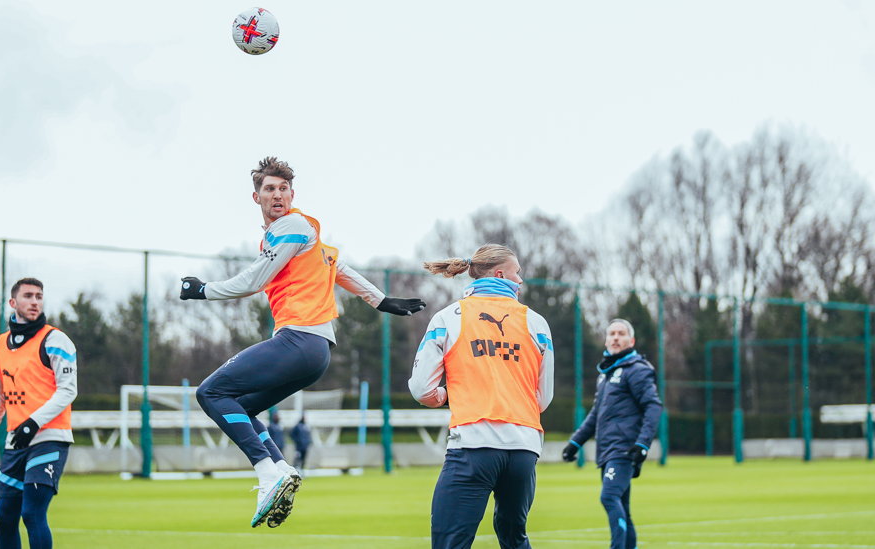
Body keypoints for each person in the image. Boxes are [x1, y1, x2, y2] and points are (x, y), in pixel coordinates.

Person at [179, 156, 425, 528]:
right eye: (269, 189)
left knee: (210, 393)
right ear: (255, 196)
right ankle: (280, 467)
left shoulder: (291, 225)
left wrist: (202, 291)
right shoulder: (304, 235)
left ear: (292, 194)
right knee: (241, 409)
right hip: (316, 352)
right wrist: (381, 300)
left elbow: (253, 280)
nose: (277, 195)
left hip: (299, 341)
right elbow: (337, 267)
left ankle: (266, 473)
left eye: (283, 189)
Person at [409, 244, 554, 549]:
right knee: (514, 540)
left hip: (474, 446)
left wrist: (449, 395)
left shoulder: (448, 317)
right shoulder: (537, 323)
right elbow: (542, 398)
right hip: (525, 451)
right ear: (501, 275)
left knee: (450, 542)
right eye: (518, 274)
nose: (521, 281)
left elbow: (421, 390)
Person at [0, 278, 78, 549]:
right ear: (13, 303)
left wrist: (33, 423)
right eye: (28, 296)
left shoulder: (56, 340)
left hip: (50, 439)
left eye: (39, 296)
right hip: (15, 443)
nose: (35, 301)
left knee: (31, 513)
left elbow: (68, 391)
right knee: (5, 517)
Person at [561, 319, 663, 549]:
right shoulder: (606, 374)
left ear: (631, 341)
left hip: (624, 449)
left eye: (621, 333)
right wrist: (575, 443)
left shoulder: (637, 370)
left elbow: (654, 406)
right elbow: (596, 414)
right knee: (622, 508)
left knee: (608, 497)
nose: (616, 337)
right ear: (606, 340)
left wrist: (642, 444)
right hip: (607, 451)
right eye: (612, 334)